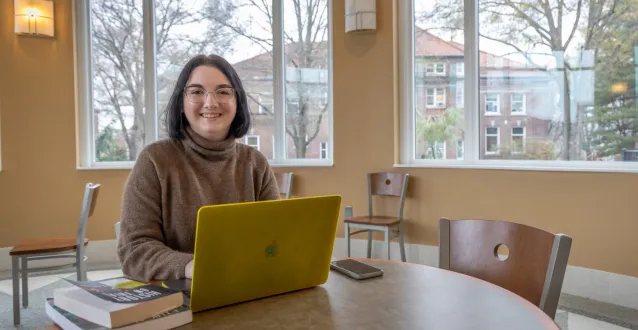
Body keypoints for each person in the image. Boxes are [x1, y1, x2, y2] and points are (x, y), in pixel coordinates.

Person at [117, 54, 280, 282]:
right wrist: (193, 266)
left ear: (238, 102)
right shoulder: (154, 160)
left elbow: (275, 241)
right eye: (196, 91)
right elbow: (135, 251)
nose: (211, 102)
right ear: (181, 103)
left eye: (223, 91)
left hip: (247, 289)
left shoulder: (256, 164)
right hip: (179, 296)